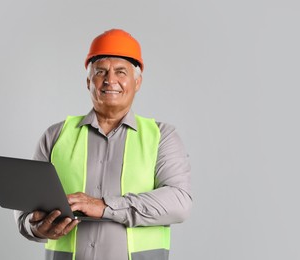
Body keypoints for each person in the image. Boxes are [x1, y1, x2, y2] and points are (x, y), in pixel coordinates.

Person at [14, 28, 192, 260]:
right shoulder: (55, 135)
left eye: (121, 72)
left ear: (137, 82)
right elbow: (25, 211)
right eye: (101, 72)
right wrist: (35, 227)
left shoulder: (162, 136)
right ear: (89, 81)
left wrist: (105, 206)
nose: (110, 80)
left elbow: (179, 202)